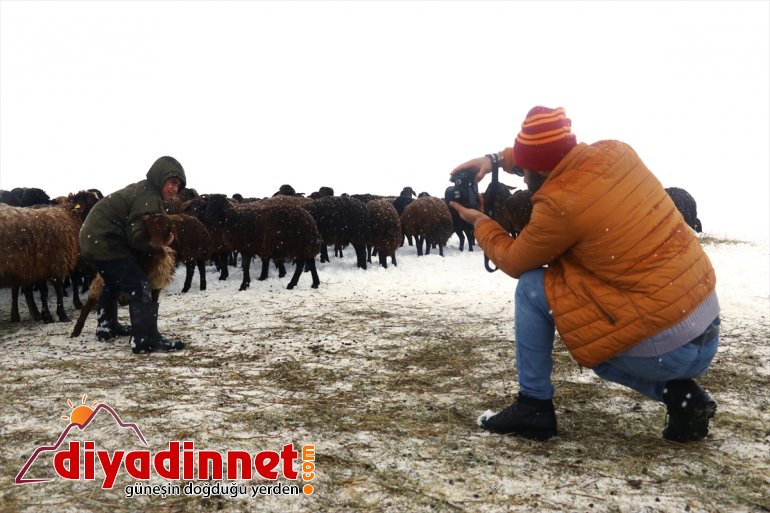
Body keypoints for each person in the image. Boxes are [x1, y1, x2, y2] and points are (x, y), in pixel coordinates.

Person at [449, 106, 719, 443]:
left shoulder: (561, 205)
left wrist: (479, 221)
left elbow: (515, 261)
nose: (523, 177)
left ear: (538, 169)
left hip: (665, 351)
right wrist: (495, 159)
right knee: (594, 328)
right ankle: (683, 398)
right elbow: (558, 161)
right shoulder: (617, 153)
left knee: (541, 294)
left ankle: (533, 404)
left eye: (524, 171)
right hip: (705, 329)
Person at [79, 156, 187, 354]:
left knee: (113, 281)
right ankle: (144, 338)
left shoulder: (145, 190)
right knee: (139, 284)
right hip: (106, 240)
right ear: (160, 178)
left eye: (178, 185)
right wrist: (157, 248)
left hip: (93, 238)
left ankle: (107, 325)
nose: (174, 189)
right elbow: (137, 236)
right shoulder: (149, 197)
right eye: (172, 182)